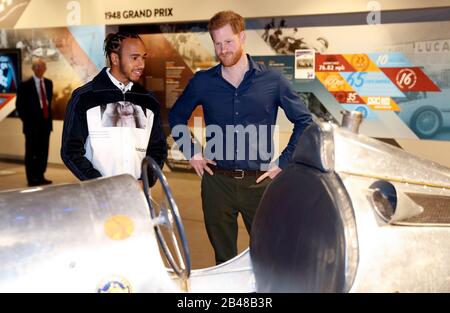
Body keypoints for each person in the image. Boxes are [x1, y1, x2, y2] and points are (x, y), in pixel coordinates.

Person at [169, 11, 313, 264]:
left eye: (228, 42)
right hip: (216, 183)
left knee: (269, 254)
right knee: (223, 258)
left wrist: (284, 162)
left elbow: (305, 121)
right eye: (217, 43)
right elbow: (176, 117)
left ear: (242, 37)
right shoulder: (203, 82)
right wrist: (192, 152)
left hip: (258, 183)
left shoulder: (273, 81)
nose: (223, 50)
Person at [61, 31, 167, 183]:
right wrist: (99, 183)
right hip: (99, 196)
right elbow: (70, 151)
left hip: (137, 195)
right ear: (115, 58)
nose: (141, 64)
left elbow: (158, 149)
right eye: (134, 58)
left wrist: (146, 179)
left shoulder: (148, 101)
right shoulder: (84, 98)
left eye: (143, 57)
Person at [16, 58, 53, 187]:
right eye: (36, 66)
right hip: (31, 126)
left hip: (45, 125)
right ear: (33, 69)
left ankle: (41, 175)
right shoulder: (24, 85)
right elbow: (19, 107)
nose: (39, 69)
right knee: (31, 153)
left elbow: (48, 104)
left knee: (43, 152)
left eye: (41, 66)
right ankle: (31, 178)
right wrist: (28, 122)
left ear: (45, 69)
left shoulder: (49, 83)